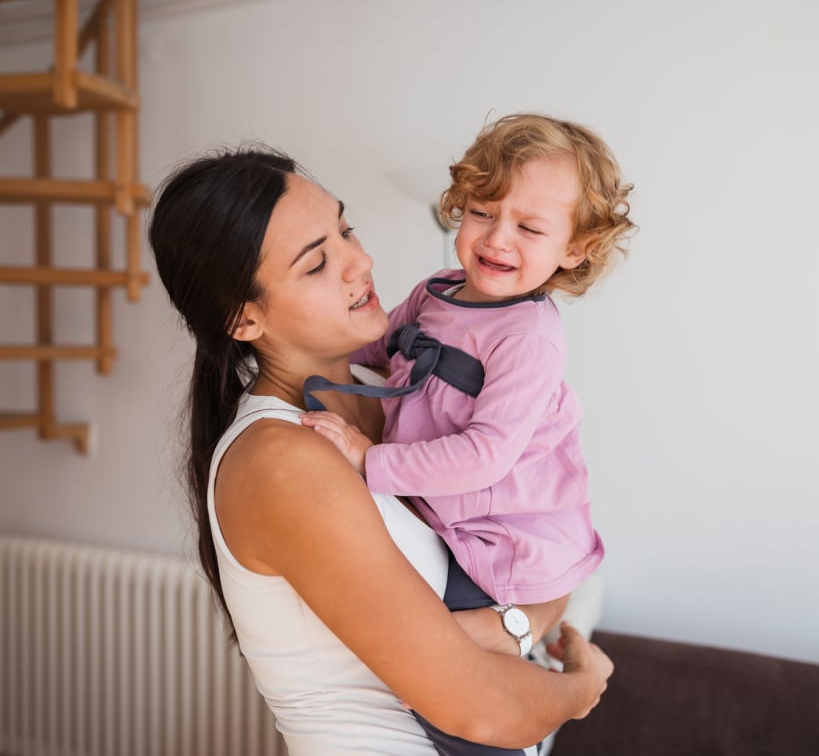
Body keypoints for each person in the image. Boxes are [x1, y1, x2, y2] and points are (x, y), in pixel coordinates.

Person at [147, 146, 613, 756]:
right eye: (317, 264)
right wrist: (584, 684)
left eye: (345, 229)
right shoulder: (283, 460)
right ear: (243, 320)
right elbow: (487, 710)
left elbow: (536, 525)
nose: (360, 261)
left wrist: (518, 622)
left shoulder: (398, 396)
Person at [301, 114, 635, 618]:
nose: (498, 239)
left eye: (528, 227)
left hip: (500, 533)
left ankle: (544, 667)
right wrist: (304, 350)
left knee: (438, 653)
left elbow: (484, 456)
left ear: (573, 249)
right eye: (482, 213)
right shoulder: (437, 289)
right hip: (436, 507)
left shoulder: (529, 340)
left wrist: (370, 459)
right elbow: (375, 347)